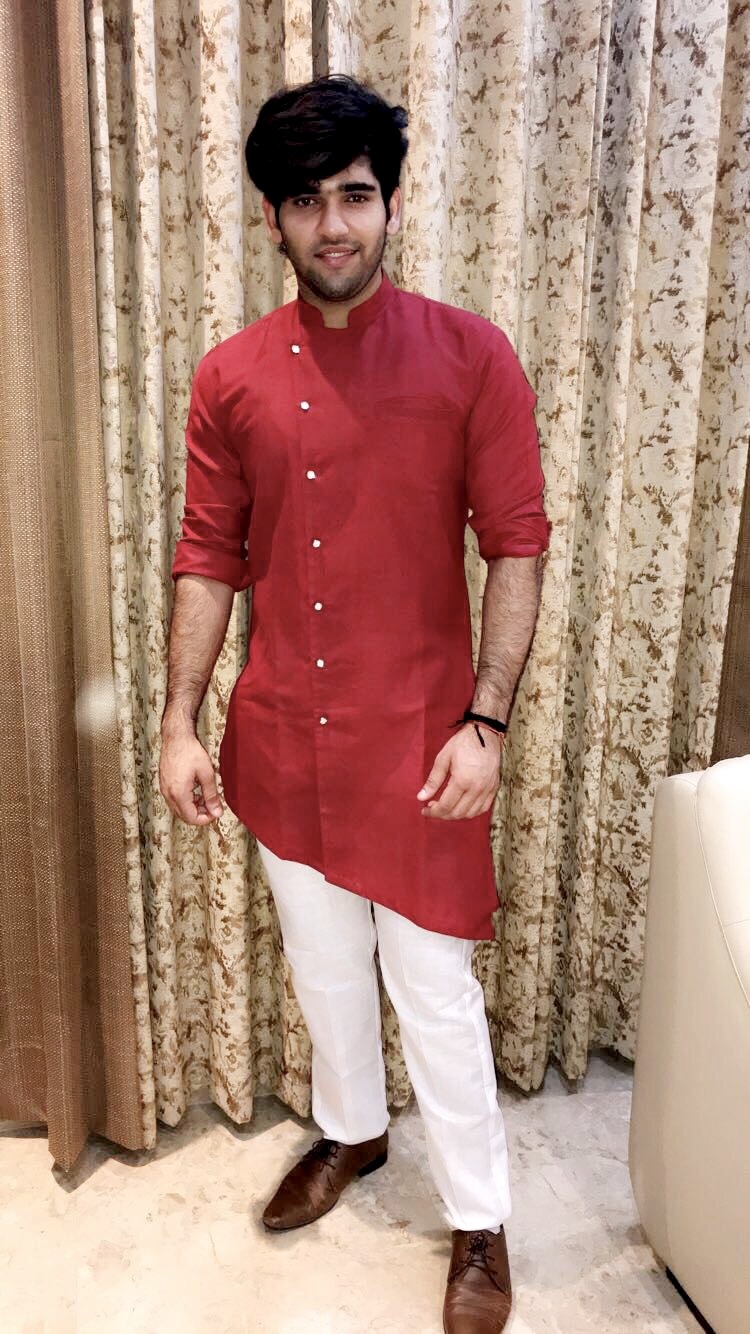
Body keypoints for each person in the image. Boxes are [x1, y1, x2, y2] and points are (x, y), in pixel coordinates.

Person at [160, 72, 551, 1333]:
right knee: (325, 965)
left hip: (425, 742)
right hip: (283, 734)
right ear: (272, 218)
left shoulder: (471, 354)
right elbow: (208, 553)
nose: (333, 223)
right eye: (306, 200)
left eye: (355, 194)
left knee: (432, 985)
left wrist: (488, 723)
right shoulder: (229, 376)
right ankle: (352, 1129)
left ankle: (479, 1216)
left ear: (390, 203)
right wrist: (177, 718)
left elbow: (518, 542)